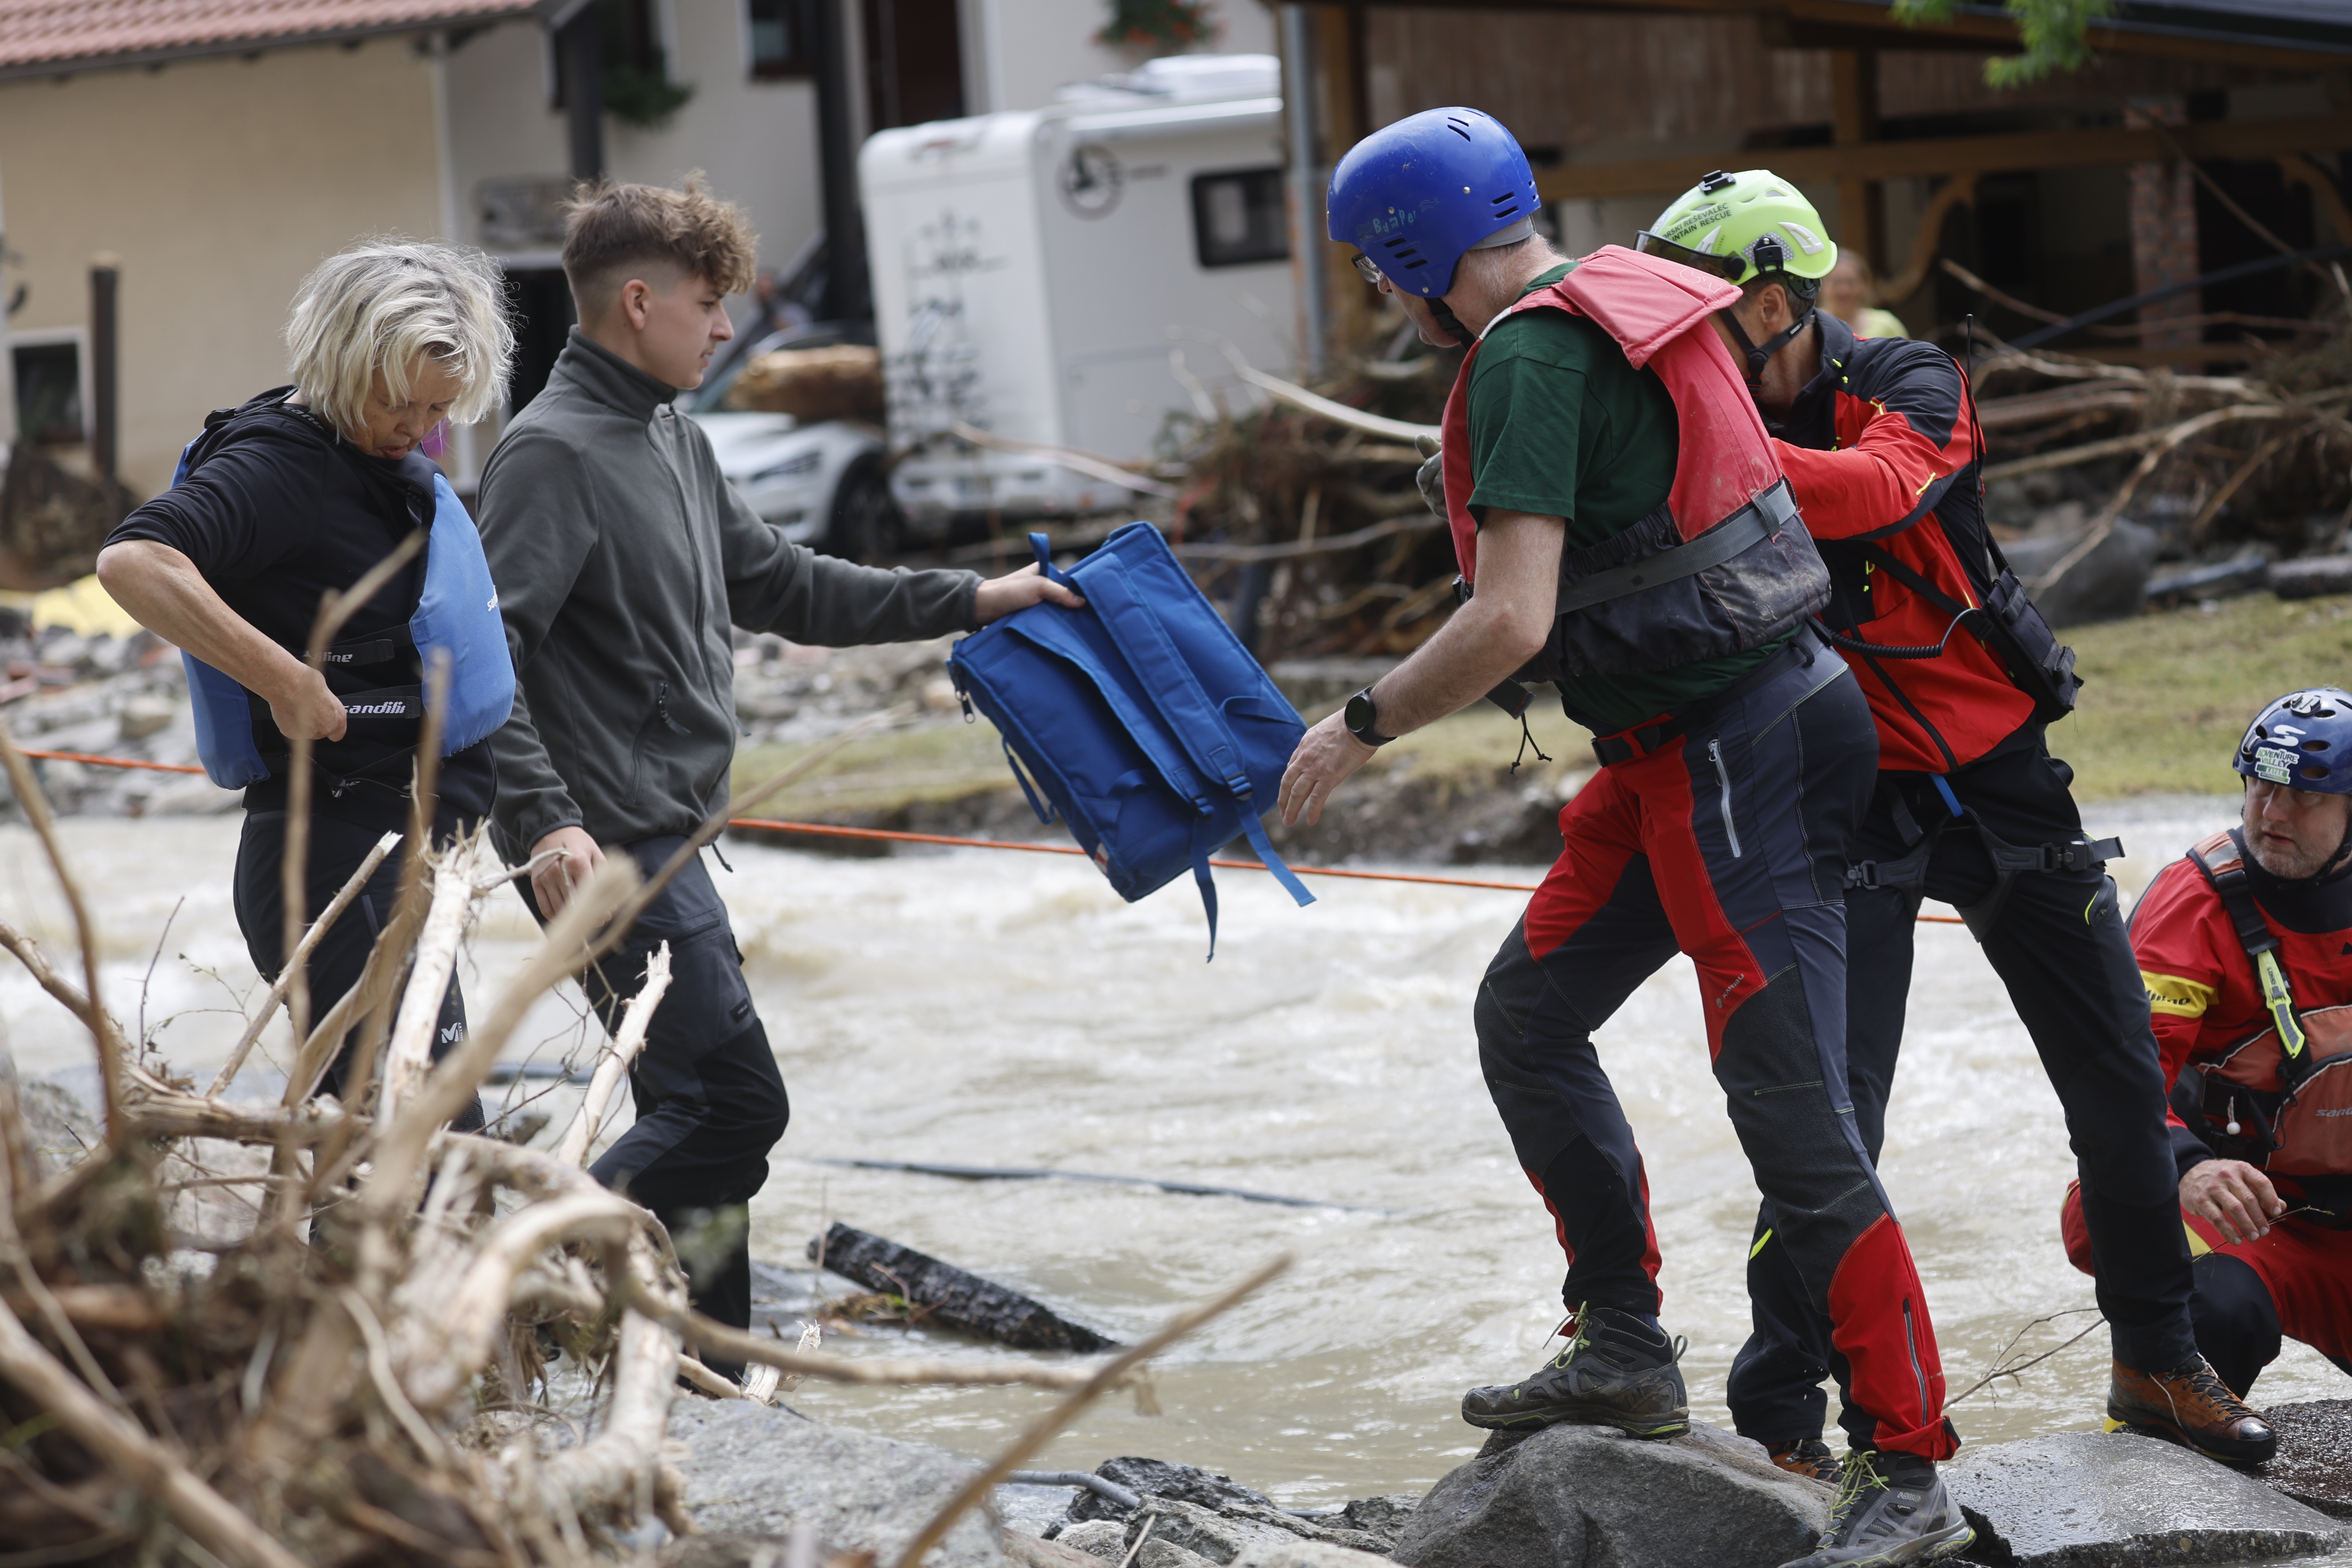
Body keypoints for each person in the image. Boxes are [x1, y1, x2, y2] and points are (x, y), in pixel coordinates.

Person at [1287, 112, 1971, 1568]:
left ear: (1409, 259)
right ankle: (1621, 1345)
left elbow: (1514, 617)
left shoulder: (1529, 353)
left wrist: (1357, 722)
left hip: (1738, 749)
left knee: (1789, 1112)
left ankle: (1906, 1467)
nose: (1381, 299)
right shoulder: (1627, 282)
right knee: (1527, 1011)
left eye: (1373, 270)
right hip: (1692, 742)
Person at [1632, 170, 2264, 1470]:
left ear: (1773, 297)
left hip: (2000, 774)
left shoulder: (1911, 380)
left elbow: (1874, 493)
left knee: (2116, 1079)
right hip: (1843, 797)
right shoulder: (1687, 409)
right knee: (1832, 1112)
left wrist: (1695, 459)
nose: (1682, 353)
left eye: (1703, 322)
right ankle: (1784, 1413)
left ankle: (2156, 1360)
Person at [472, 177, 1077, 1358]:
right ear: (635, 302)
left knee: (696, 1114)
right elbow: (486, 660)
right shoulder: (549, 455)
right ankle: (519, 1270)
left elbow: (788, 584)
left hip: (671, 833)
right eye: (707, 304)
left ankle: (707, 1369)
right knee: (730, 1103)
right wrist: (545, 822)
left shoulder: (671, 437)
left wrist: (973, 597)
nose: (725, 329)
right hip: (604, 844)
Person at [97, 242, 514, 1127]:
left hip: (395, 854)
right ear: (340, 359)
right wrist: (282, 676)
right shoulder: (283, 467)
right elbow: (135, 560)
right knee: (402, 1143)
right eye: (398, 402)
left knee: (427, 1140)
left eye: (439, 409)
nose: (418, 428)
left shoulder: (365, 456)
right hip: (327, 858)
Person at [2058, 690, 2352, 1411]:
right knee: (2213, 1307)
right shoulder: (2192, 904)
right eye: (2260, 785)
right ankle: (2150, 1477)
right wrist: (2187, 1166)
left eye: (2305, 797)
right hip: (2227, 1204)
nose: (2271, 815)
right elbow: (2115, 1093)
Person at [1821, 250, 1908, 340]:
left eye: (1851, 283)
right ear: (1822, 285)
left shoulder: (1886, 325)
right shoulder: (1811, 325)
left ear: (1865, 285)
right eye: (1837, 283)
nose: (1844, 291)